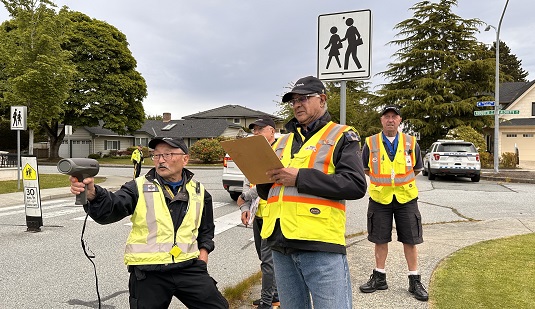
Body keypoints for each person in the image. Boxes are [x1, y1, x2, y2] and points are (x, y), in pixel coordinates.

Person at [69, 137, 229, 309]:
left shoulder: (199, 190)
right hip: (149, 273)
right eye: (156, 155)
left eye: (168, 154)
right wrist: (93, 194)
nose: (160, 160)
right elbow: (111, 209)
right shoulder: (137, 187)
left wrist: (203, 253)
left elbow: (206, 229)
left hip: (188, 268)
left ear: (185, 159)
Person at [256, 76, 366, 309]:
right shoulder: (281, 141)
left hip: (319, 244)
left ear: (322, 99)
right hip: (280, 242)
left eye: (304, 98)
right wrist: (259, 176)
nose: (297, 104)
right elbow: (268, 193)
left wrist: (300, 178)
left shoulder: (341, 135)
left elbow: (355, 184)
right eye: (293, 100)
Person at [359, 105, 429, 302]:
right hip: (380, 198)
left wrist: (400, 182)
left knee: (411, 239)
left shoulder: (410, 142)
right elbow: (365, 168)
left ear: (400, 121)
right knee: (380, 239)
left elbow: (417, 168)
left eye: (394, 117)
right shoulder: (370, 143)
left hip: (406, 198)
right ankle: (379, 277)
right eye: (386, 117)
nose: (390, 120)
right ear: (381, 120)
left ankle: (414, 280)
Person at [237, 117, 279, 309]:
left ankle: (267, 301)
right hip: (258, 215)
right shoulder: (254, 155)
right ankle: (276, 294)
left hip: (275, 215)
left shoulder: (281, 152)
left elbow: (268, 183)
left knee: (269, 262)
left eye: (260, 130)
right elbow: (248, 184)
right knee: (264, 259)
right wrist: (245, 208)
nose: (256, 134)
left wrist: (245, 196)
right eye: (254, 130)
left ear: (272, 131)